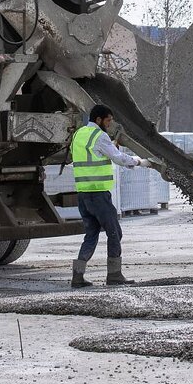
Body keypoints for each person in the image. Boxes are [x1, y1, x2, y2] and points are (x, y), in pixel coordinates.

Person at [70, 104, 150, 288]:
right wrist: (140, 162)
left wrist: (111, 146)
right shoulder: (100, 136)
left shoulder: (79, 134)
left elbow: (93, 153)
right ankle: (114, 274)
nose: (110, 124)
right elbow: (119, 159)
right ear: (98, 120)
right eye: (108, 120)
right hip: (99, 195)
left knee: (91, 234)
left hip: (83, 194)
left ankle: (78, 275)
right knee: (115, 233)